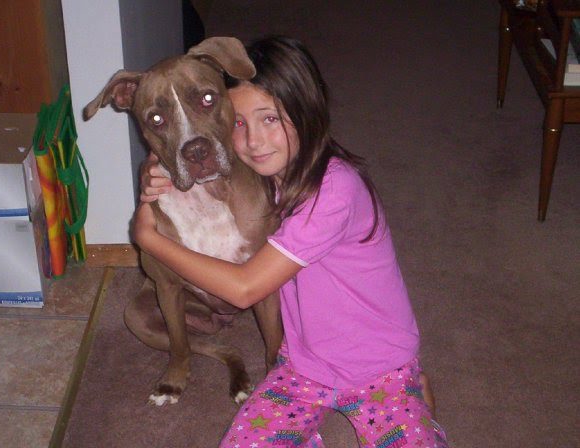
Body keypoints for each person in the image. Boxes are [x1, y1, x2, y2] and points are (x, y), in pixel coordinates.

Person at [134, 36, 448, 448]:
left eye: (270, 119)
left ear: (308, 110)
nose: (254, 141)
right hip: (304, 364)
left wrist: (147, 238)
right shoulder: (270, 175)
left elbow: (246, 288)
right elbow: (191, 145)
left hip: (377, 366)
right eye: (241, 124)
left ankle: (411, 390)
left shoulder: (335, 191)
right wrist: (152, 171)